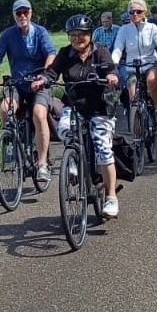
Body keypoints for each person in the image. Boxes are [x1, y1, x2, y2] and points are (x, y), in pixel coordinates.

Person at [35, 14, 121, 219]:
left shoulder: (100, 52)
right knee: (64, 128)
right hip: (75, 106)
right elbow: (52, 72)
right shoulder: (65, 53)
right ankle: (73, 161)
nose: (77, 39)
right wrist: (43, 79)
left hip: (100, 108)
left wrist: (111, 76)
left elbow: (111, 69)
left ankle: (111, 197)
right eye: (73, 35)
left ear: (89, 35)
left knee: (103, 149)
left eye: (81, 35)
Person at [0, 0, 58, 182]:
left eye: (25, 12)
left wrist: (44, 76)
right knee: (5, 108)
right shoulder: (8, 35)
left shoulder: (40, 32)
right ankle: (10, 148)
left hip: (39, 83)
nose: (22, 16)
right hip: (18, 83)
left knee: (39, 114)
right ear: (14, 15)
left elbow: (51, 54)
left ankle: (43, 164)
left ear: (31, 13)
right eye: (18, 13)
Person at [111, 0, 157, 127]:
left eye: (138, 11)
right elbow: (118, 48)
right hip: (132, 67)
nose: (135, 14)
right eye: (131, 12)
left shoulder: (152, 28)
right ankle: (137, 125)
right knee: (132, 94)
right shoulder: (124, 30)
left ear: (144, 12)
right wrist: (114, 61)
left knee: (151, 81)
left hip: (150, 64)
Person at [92, 11, 127, 88]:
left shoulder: (119, 30)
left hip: (118, 59)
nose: (105, 24)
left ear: (111, 20)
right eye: (103, 22)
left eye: (107, 22)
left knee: (124, 76)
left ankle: (123, 91)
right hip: (102, 60)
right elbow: (92, 46)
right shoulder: (97, 32)